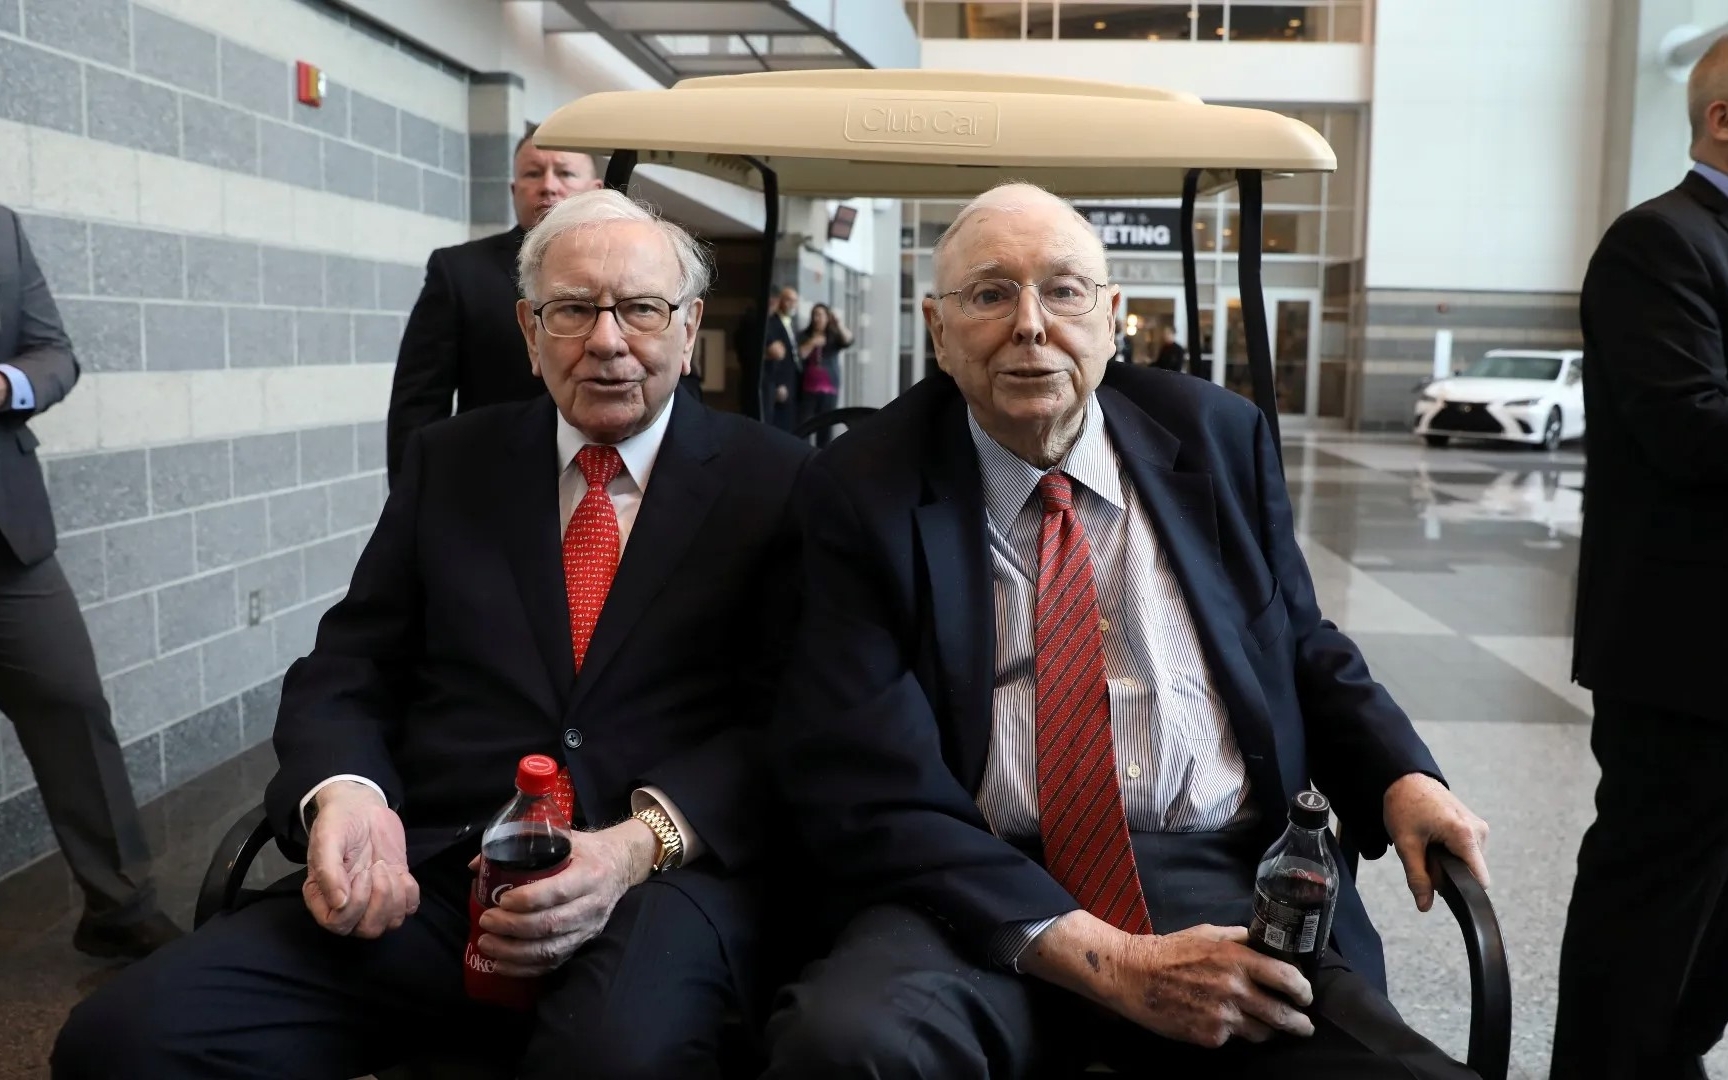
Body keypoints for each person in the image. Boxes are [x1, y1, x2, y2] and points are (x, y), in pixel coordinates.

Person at [54, 190, 811, 1079]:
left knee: (611, 1060)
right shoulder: (452, 461)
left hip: (652, 886)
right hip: (433, 877)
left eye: (641, 309)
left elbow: (794, 718)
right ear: (530, 333)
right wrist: (346, 792)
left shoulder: (780, 483)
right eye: (573, 310)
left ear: (687, 331)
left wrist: (639, 842)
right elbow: (351, 665)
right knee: (122, 1042)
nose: (607, 340)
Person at [764, 183, 1490, 1079]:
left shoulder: (1217, 437)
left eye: (1064, 290)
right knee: (845, 1050)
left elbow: (1299, 640)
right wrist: (1117, 965)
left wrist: (1399, 774)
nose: (1031, 324)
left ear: (1112, 316)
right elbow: (867, 778)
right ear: (937, 330)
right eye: (990, 294)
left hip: (1219, 871)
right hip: (973, 886)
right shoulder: (856, 490)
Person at [1552, 36, 1728, 1080]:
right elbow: (1690, 428)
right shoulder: (1659, 242)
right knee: (1649, 895)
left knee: (1712, 913)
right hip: (1686, 657)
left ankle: (1669, 1056)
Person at [0, 207, 182, 960]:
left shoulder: (3, 229)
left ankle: (117, 905)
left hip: (9, 539)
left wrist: (10, 382)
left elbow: (53, 352)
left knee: (72, 700)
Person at [385, 131, 602, 482]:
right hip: (492, 482)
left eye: (564, 173)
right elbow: (418, 405)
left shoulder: (633, 269)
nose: (548, 186)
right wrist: (413, 505)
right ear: (514, 190)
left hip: (614, 484)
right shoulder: (459, 271)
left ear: (595, 190)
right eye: (533, 173)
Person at [796, 303, 852, 448]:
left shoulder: (833, 336)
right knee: (805, 425)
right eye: (814, 315)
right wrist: (813, 342)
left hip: (829, 389)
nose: (817, 318)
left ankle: (822, 459)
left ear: (827, 318)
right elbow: (800, 354)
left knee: (826, 427)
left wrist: (838, 324)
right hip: (808, 389)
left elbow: (849, 340)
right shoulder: (804, 336)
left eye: (820, 315)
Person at [763, 286, 802, 433]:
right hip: (778, 381)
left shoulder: (792, 322)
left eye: (795, 300)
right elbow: (776, 356)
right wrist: (779, 383)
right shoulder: (772, 322)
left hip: (793, 380)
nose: (792, 304)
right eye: (789, 300)